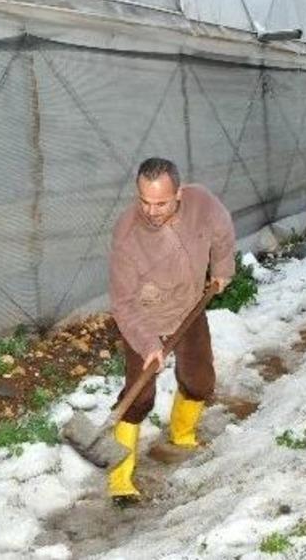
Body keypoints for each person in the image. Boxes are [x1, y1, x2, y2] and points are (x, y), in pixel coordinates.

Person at [107, 157, 235, 501]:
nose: (151, 211)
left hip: (189, 309)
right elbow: (123, 304)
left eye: (160, 202)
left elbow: (222, 229)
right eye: (144, 201)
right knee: (139, 397)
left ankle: (182, 434)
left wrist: (222, 267)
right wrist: (148, 344)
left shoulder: (202, 202)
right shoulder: (127, 235)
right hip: (144, 319)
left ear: (178, 193)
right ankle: (120, 477)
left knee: (200, 380)